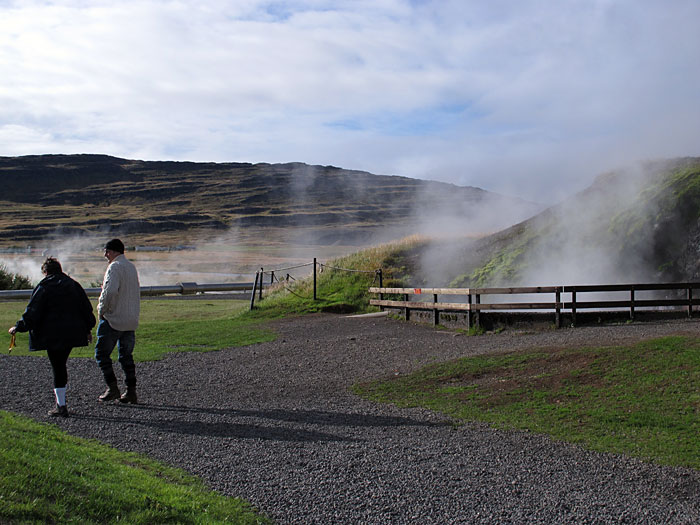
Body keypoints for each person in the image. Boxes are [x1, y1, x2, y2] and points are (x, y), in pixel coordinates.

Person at [8, 257, 96, 417]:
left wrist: (18, 327)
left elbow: (32, 312)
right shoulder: (73, 285)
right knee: (61, 365)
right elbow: (86, 309)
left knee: (58, 366)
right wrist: (88, 328)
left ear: (45, 272)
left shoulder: (44, 286)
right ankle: (61, 403)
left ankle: (61, 405)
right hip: (72, 332)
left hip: (51, 335)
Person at [95, 238, 141, 404]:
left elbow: (109, 291)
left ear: (114, 251)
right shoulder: (131, 267)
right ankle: (131, 391)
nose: (105, 255)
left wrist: (102, 310)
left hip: (114, 318)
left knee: (101, 354)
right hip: (130, 319)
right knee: (126, 356)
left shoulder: (114, 267)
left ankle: (112, 388)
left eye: (107, 251)